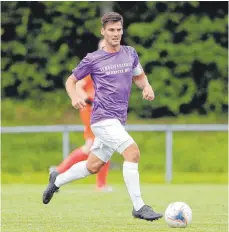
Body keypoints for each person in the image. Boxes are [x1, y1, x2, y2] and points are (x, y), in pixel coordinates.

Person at [43, 12, 163, 222]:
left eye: (119, 30)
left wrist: (147, 87)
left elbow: (140, 77)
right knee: (132, 153)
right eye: (111, 30)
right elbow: (71, 81)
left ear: (122, 30)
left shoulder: (130, 53)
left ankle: (57, 181)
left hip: (118, 121)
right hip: (101, 118)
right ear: (103, 31)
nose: (116, 34)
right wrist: (74, 97)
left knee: (93, 166)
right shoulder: (93, 59)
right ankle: (139, 206)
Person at [50, 40, 112, 191]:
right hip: (91, 111)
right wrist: (86, 98)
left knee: (99, 145)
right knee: (97, 145)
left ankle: (58, 172)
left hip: (101, 111)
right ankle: (59, 173)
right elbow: (78, 85)